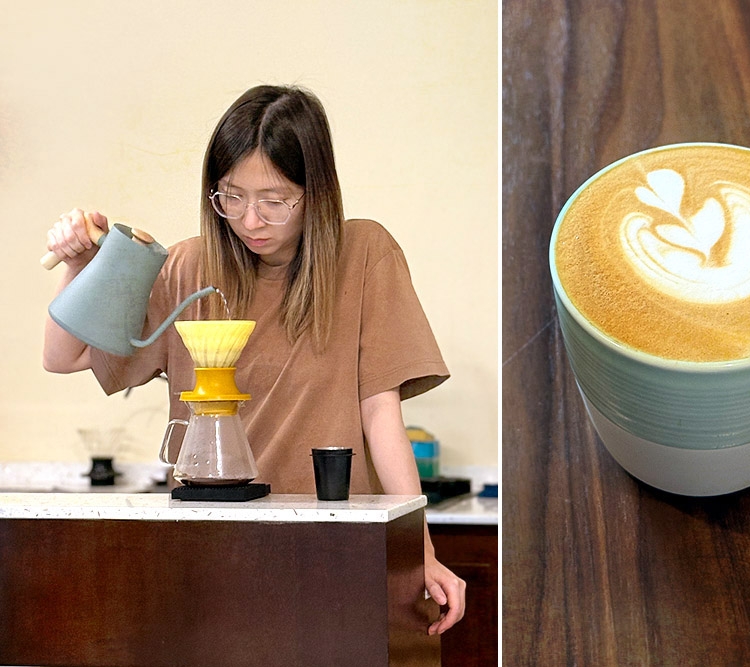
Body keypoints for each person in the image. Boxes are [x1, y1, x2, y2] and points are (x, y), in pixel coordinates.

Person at [42, 84, 466, 635]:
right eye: (232, 196)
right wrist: (78, 264)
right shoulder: (187, 267)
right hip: (207, 554)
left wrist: (420, 551)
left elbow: (380, 412)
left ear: (315, 192)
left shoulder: (364, 254)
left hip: (334, 553)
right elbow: (65, 355)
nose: (250, 221)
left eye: (274, 200)